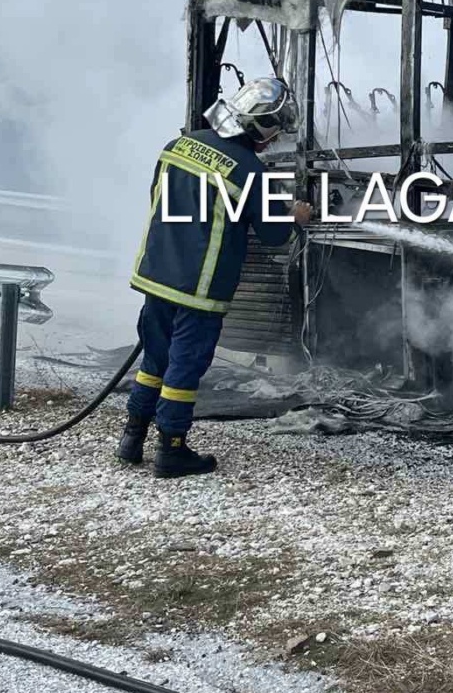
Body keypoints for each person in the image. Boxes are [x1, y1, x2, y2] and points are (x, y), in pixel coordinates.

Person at [119, 77, 312, 478]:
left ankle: (132, 438)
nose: (274, 140)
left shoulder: (177, 145)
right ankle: (171, 450)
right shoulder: (249, 170)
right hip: (199, 288)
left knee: (155, 358)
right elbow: (273, 234)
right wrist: (295, 217)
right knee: (185, 365)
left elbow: (161, 198)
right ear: (261, 126)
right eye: (275, 130)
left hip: (156, 274)